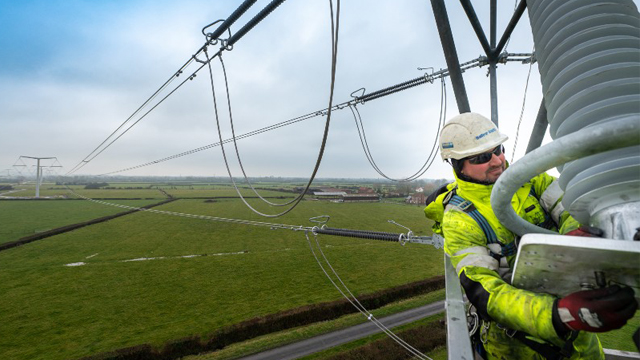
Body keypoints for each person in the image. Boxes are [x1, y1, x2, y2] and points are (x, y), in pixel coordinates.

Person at [424, 112, 637, 359]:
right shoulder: (459, 219)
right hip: (519, 347)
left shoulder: (528, 178)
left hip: (579, 337)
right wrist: (559, 314)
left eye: (498, 149)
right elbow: (485, 291)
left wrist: (575, 238)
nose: (497, 161)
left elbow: (571, 205)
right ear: (457, 165)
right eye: (482, 157)